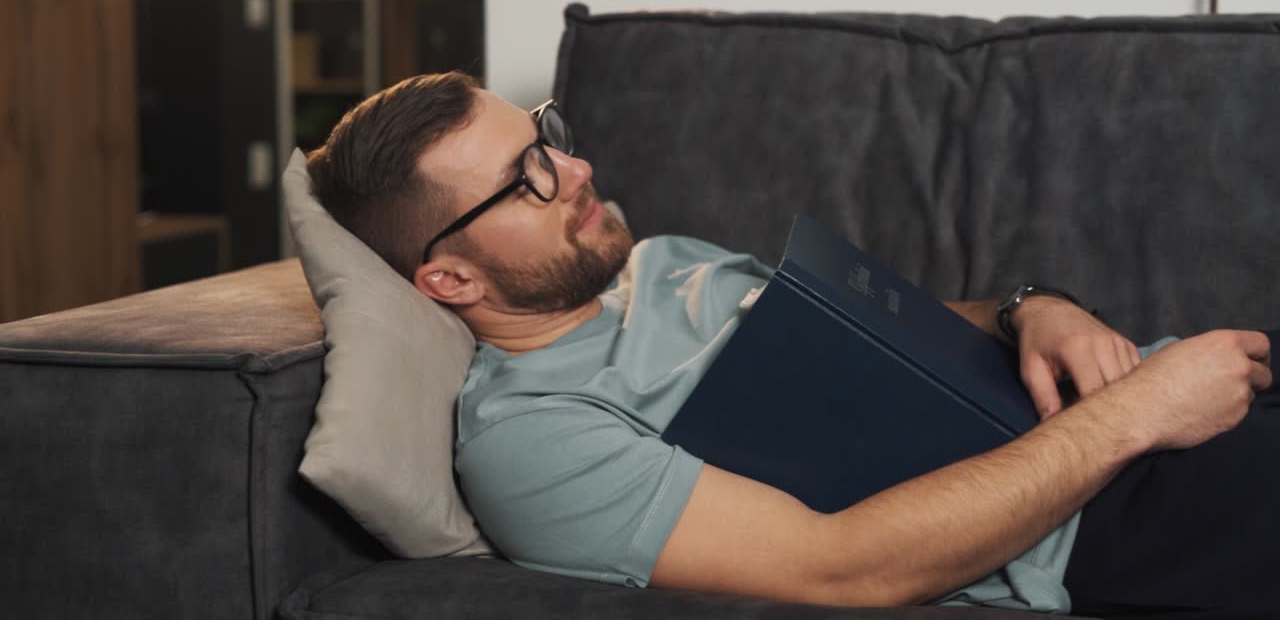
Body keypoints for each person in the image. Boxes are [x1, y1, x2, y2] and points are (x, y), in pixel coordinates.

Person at [305, 72, 1278, 619]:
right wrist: (1134, 418)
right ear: (450, 281)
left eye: (547, 138)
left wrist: (1033, 307)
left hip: (1134, 398)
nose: (572, 168)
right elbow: (842, 566)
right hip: (1101, 520)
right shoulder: (530, 437)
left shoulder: (657, 261)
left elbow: (899, 340)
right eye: (526, 178)